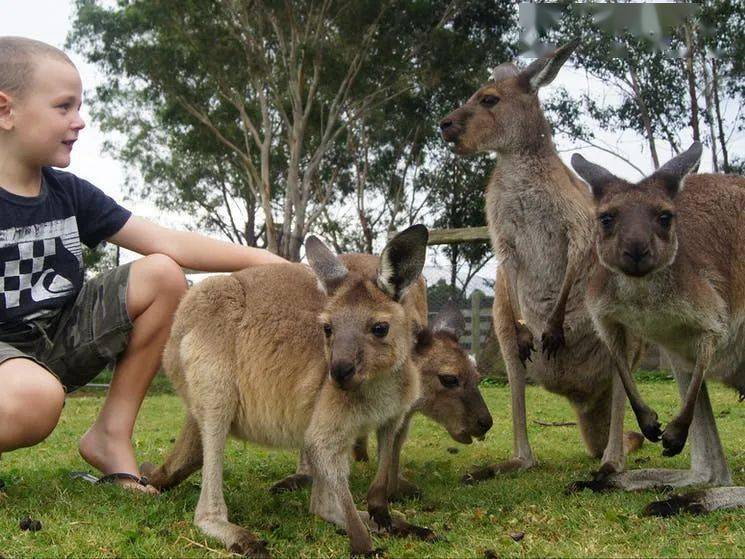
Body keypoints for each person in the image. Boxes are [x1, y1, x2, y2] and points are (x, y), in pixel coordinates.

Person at [0, 36, 286, 493]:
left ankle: (110, 436)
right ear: (6, 110)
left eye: (80, 106)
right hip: (9, 368)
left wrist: (265, 261)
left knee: (163, 275)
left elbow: (166, 241)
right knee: (35, 398)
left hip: (52, 345)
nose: (80, 120)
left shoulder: (69, 194)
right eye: (63, 106)